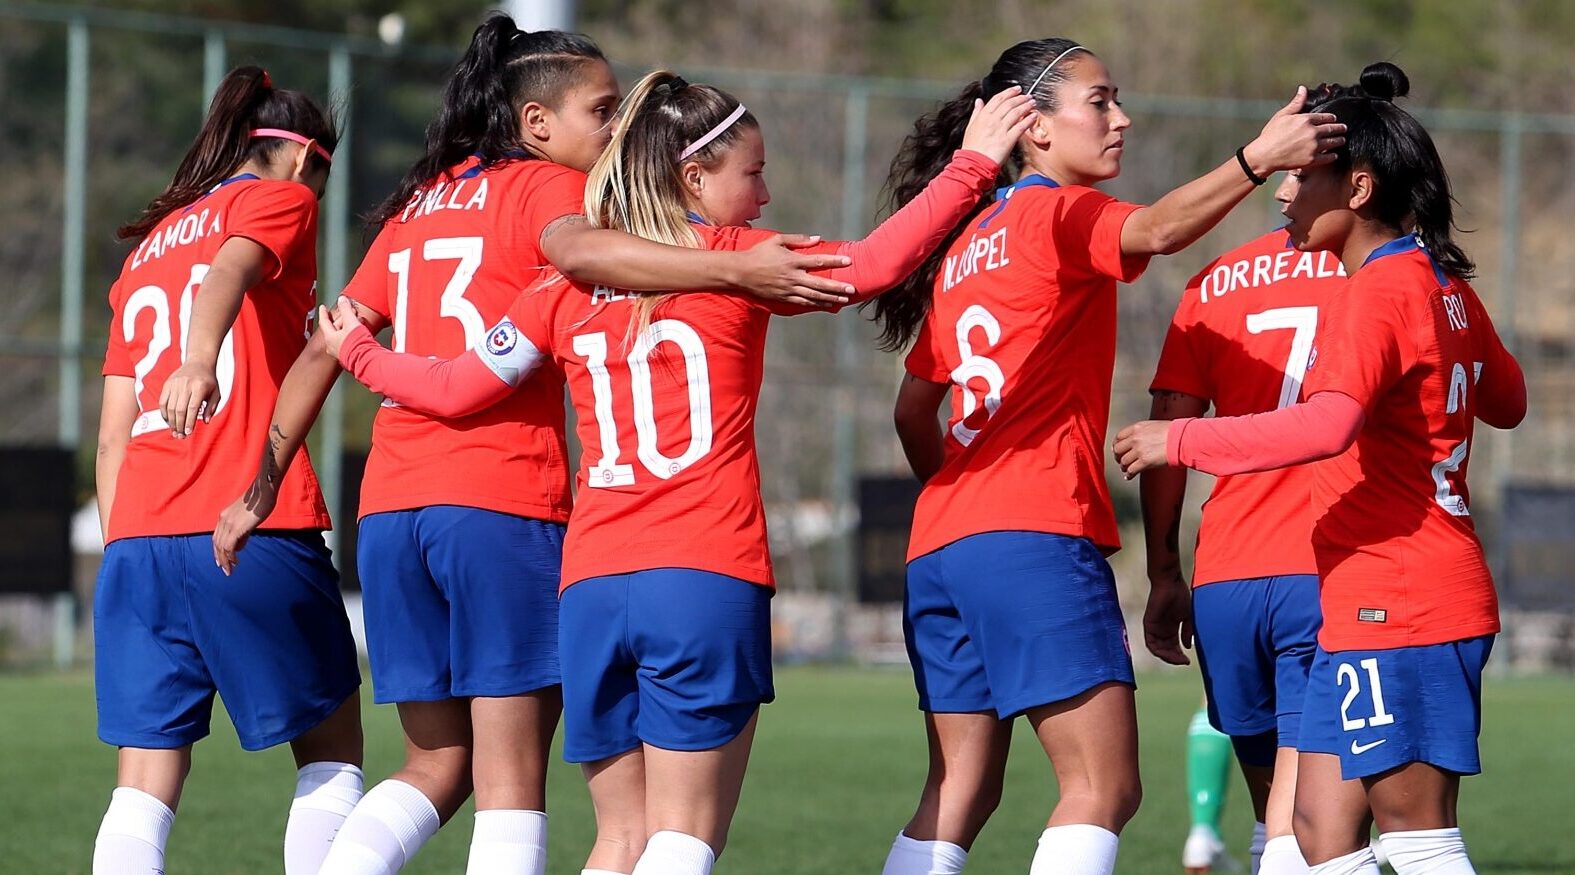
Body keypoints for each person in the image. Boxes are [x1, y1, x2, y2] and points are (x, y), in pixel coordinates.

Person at [315, 69, 1034, 875]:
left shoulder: (561, 285)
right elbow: (871, 265)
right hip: (699, 573)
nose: (762, 195)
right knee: (682, 837)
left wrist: (361, 352)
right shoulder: (737, 261)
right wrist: (971, 166)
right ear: (692, 176)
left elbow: (450, 387)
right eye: (751, 172)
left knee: (619, 841)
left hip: (589, 589)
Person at [208, 16, 859, 875]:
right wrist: (738, 267)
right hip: (498, 501)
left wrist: (259, 484)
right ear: (537, 124)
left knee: (437, 763)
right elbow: (585, 253)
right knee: (512, 783)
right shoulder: (548, 192)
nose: (617, 123)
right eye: (602, 108)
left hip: (395, 510)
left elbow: (329, 344)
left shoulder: (418, 203)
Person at [863, 37, 1343, 875]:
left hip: (942, 545)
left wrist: (954, 498)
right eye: (1099, 100)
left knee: (957, 791)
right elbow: (1156, 229)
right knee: (1102, 786)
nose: (1119, 117)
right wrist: (1256, 159)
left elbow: (913, 408)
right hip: (1033, 531)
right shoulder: (1053, 210)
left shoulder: (966, 243)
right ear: (1035, 129)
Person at [1114, 63, 1526, 875]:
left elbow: (1328, 424)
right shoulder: (1438, 280)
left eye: (1300, 177)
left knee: (1414, 836)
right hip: (1361, 596)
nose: (1280, 195)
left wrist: (1180, 442)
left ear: (1359, 187)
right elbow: (1506, 402)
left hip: (1401, 594)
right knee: (1316, 828)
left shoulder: (1375, 290)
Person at [91, 66, 362, 875]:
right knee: (333, 755)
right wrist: (199, 359)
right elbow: (228, 270)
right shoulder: (280, 199)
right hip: (246, 520)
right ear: (302, 160)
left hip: (135, 537)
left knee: (141, 787)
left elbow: (112, 434)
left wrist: (123, 553)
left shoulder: (147, 246)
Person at [1144, 224, 1348, 875]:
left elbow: (1166, 433)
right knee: (1320, 821)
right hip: (1328, 565)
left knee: (1274, 815)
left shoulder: (1212, 280)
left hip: (1227, 573)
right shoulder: (1376, 269)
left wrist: (1162, 572)